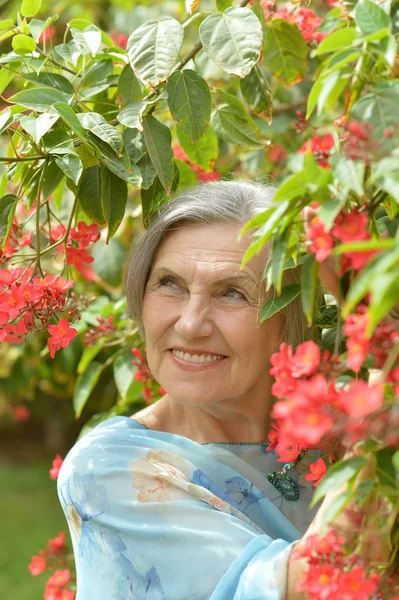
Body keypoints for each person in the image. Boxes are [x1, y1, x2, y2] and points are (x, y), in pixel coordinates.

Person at [56, 181, 352, 599]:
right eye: (170, 284)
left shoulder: (336, 435)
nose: (191, 324)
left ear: (294, 315)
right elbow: (306, 588)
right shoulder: (107, 469)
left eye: (232, 293)